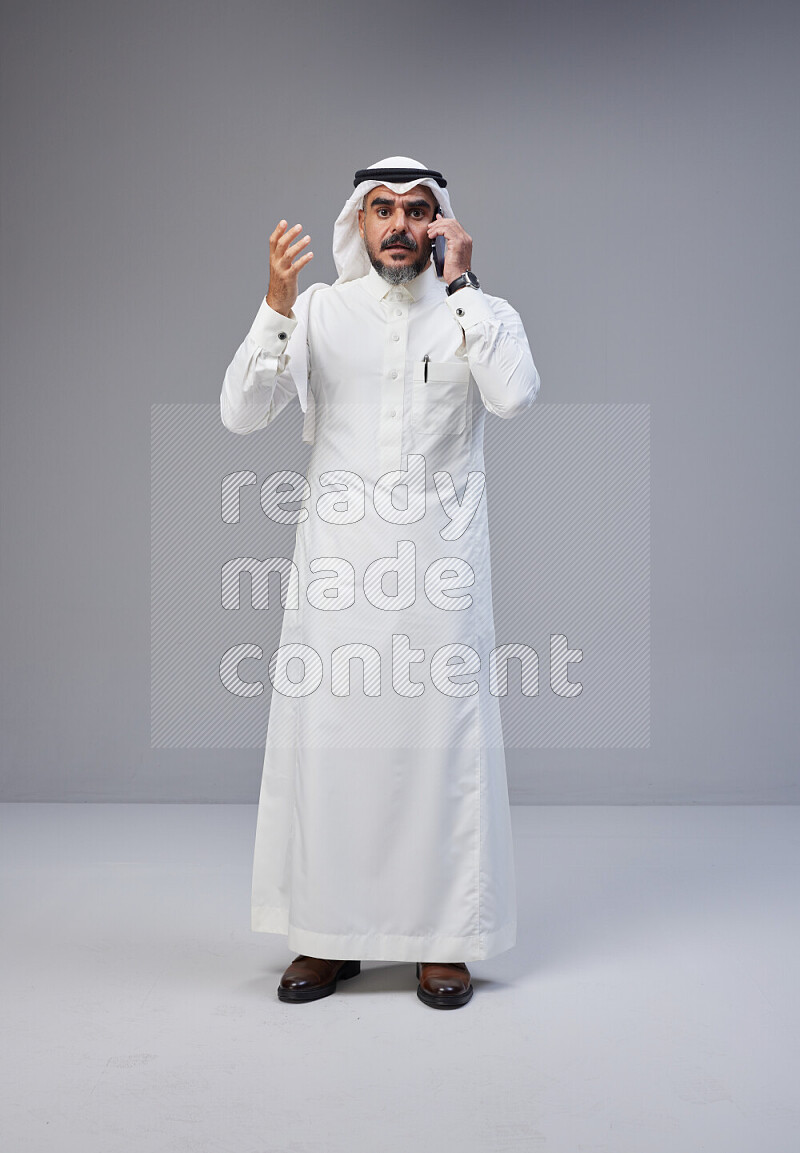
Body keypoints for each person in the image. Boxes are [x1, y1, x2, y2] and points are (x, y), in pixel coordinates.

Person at [220, 156, 540, 1009]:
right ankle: (328, 938)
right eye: (383, 210)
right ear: (358, 225)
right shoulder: (320, 310)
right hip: (338, 574)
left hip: (440, 571)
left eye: (419, 210)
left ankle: (444, 942)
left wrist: (465, 283)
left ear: (443, 224)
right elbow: (241, 414)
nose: (400, 224)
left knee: (441, 753)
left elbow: (514, 396)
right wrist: (276, 308)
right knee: (333, 753)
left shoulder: (478, 312)